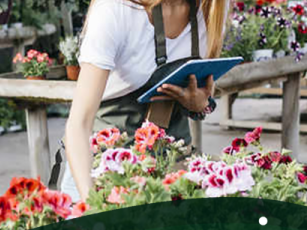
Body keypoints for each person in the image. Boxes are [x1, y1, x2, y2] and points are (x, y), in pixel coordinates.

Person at [60, 0, 228, 200]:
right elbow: (78, 125)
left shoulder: (213, 8)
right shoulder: (116, 10)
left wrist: (199, 104)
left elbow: (204, 96)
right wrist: (92, 204)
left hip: (172, 164)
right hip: (105, 171)